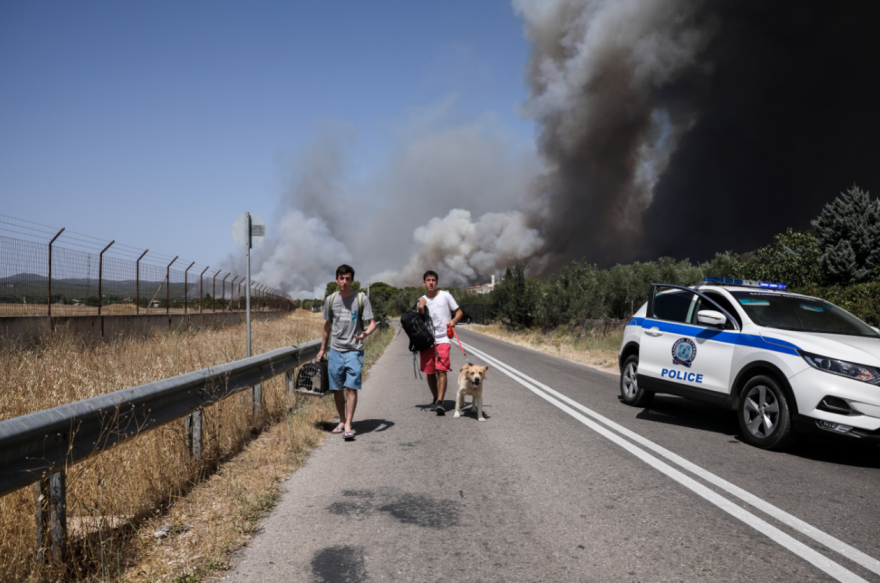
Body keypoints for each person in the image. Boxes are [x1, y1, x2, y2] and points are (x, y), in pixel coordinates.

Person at [317, 264, 376, 440]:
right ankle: (341, 420)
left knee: (351, 387)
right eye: (341, 278)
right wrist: (322, 349)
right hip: (335, 351)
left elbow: (372, 323)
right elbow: (327, 325)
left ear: (352, 280)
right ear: (336, 279)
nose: (344, 282)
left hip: (354, 350)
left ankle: (349, 424)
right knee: (337, 389)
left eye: (347, 279)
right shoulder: (330, 300)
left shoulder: (361, 298)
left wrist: (365, 334)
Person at [418, 270, 463, 415]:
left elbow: (459, 312)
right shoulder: (421, 300)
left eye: (433, 280)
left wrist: (453, 321)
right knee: (430, 372)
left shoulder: (445, 296)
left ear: (436, 282)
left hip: (443, 339)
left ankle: (440, 401)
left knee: (441, 370)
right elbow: (418, 322)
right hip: (427, 341)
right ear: (424, 283)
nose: (431, 282)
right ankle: (435, 397)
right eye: (428, 280)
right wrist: (420, 308)